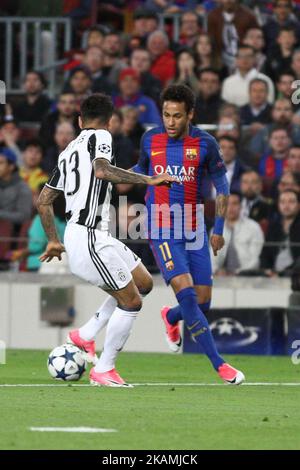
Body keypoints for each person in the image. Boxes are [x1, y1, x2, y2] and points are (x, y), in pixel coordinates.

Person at [37, 93, 176, 387]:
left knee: (143, 283)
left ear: (78, 120)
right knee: (131, 302)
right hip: (88, 235)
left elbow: (44, 200)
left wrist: (53, 239)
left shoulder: (67, 151)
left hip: (95, 234)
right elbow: (103, 170)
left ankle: (84, 336)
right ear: (110, 121)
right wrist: (149, 179)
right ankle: (104, 369)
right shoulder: (101, 135)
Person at [132, 84, 245, 385]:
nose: (170, 122)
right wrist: (109, 175)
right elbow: (141, 171)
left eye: (177, 116)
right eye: (166, 115)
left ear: (190, 115)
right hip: (161, 227)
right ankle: (220, 365)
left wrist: (218, 230)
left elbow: (222, 187)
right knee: (191, 299)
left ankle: (171, 317)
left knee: (203, 301)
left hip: (195, 226)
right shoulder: (149, 139)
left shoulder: (206, 144)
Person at [210, 192, 264, 276]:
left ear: (241, 206)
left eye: (234, 203)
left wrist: (238, 273)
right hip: (221, 278)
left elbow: (255, 260)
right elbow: (212, 258)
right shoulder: (216, 230)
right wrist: (216, 271)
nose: (230, 207)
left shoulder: (253, 227)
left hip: (246, 277)